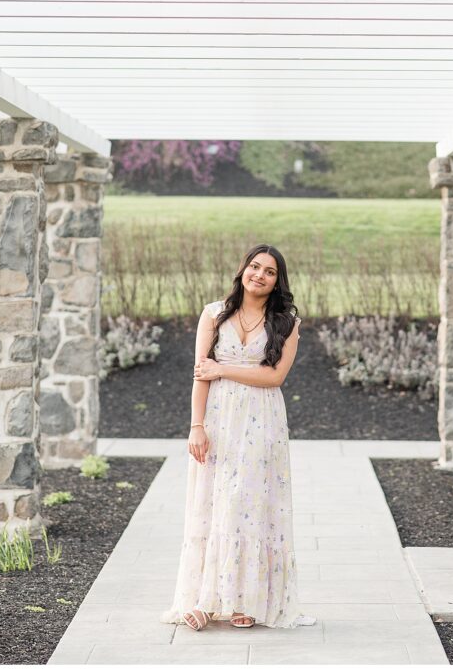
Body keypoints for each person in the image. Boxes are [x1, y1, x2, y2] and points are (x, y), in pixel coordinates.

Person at [160, 243, 316, 631]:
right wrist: (196, 426)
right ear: (243, 269)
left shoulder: (287, 323)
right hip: (218, 419)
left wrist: (223, 369)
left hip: (263, 421)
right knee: (215, 501)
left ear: (277, 281)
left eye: (269, 271)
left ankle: (248, 601)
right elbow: (201, 373)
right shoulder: (214, 314)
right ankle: (207, 600)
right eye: (255, 266)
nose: (260, 275)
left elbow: (275, 377)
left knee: (251, 502)